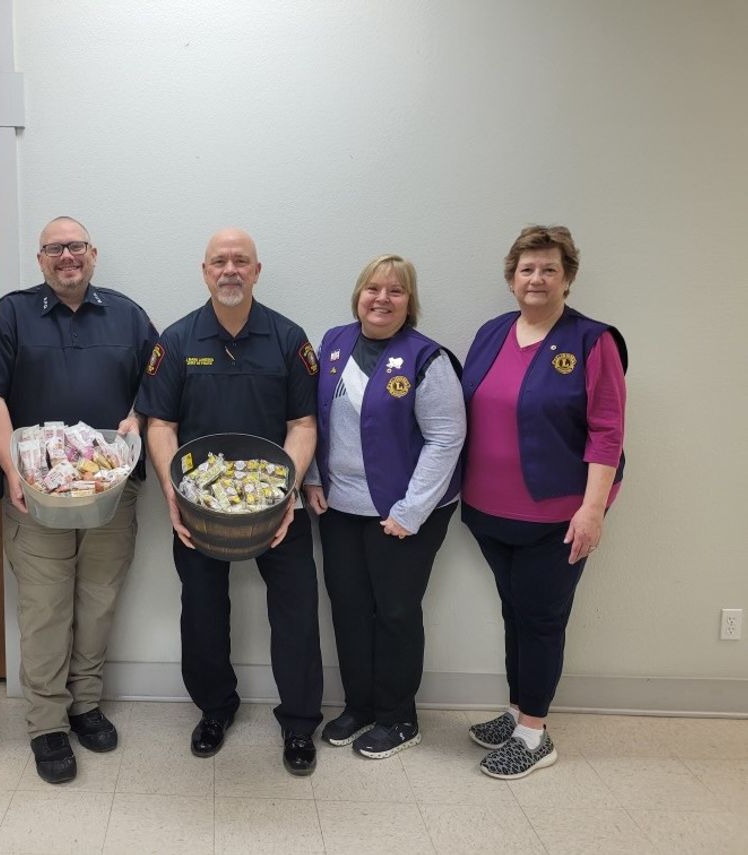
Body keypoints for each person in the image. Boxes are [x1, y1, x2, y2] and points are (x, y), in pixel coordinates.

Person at [0, 216, 156, 784]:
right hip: (35, 495)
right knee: (45, 609)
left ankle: (85, 705)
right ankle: (47, 722)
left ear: (93, 253)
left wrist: (138, 417)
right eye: (54, 249)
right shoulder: (12, 314)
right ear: (40, 259)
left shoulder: (129, 315)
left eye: (76, 247)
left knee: (97, 602)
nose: (66, 257)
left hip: (109, 494)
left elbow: (157, 384)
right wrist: (8, 467)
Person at [138, 227, 324, 777]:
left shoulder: (290, 340)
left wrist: (285, 493)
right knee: (201, 609)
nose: (230, 270)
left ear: (257, 270)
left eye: (241, 261)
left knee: (296, 611)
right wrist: (173, 494)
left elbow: (304, 423)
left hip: (277, 507)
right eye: (219, 261)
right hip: (198, 507)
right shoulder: (175, 341)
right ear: (204, 271)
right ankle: (215, 709)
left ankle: (298, 722)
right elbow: (160, 424)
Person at [461, 225, 627, 779]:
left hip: (556, 517)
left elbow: (608, 431)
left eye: (549, 269)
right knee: (515, 613)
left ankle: (535, 734)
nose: (537, 278)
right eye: (527, 269)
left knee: (541, 620)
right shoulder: (491, 334)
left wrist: (593, 509)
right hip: (487, 511)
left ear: (568, 278)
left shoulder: (591, 341)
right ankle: (516, 712)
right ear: (512, 280)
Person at [303, 254, 465, 760]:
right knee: (349, 609)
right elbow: (311, 417)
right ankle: (360, 707)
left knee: (395, 611)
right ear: (358, 294)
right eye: (373, 288)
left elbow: (446, 437)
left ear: (409, 303)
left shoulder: (427, 358)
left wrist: (411, 510)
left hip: (403, 512)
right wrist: (310, 478)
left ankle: (399, 718)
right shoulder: (332, 343)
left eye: (396, 292)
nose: (382, 299)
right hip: (339, 506)